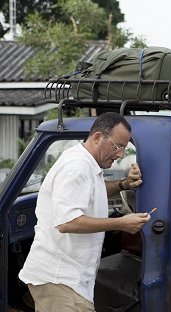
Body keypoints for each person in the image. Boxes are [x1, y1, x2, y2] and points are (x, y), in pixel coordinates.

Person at [19, 112, 152, 311]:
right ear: (98, 137)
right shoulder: (77, 166)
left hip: (69, 279)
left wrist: (124, 184)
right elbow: (67, 222)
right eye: (118, 147)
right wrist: (121, 223)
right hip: (60, 278)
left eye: (125, 148)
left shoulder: (86, 163)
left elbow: (93, 188)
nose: (121, 155)